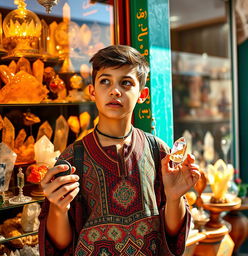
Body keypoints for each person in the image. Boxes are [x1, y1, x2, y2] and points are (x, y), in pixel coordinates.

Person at [38, 45, 200, 256]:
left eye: (126, 83)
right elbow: (60, 247)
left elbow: (172, 236)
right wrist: (58, 208)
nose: (115, 90)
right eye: (105, 81)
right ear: (92, 91)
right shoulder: (72, 159)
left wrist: (174, 198)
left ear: (142, 94)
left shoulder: (158, 152)